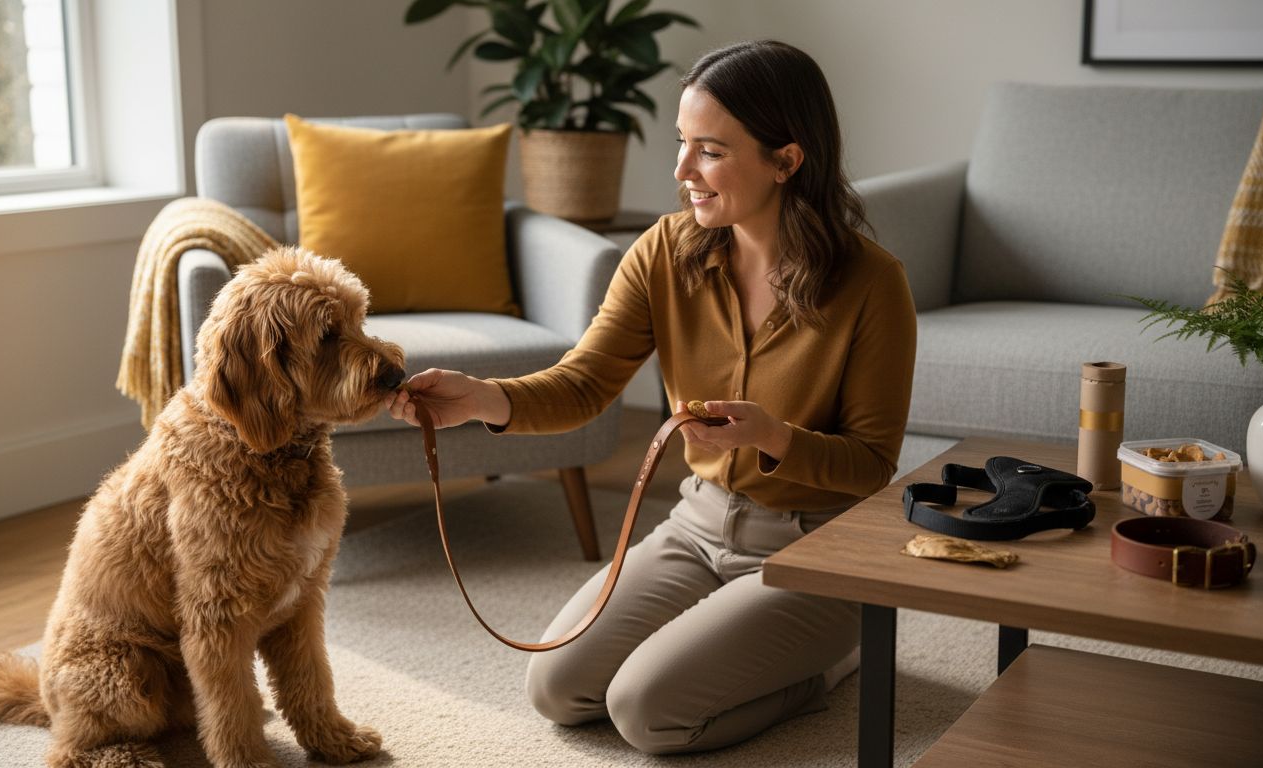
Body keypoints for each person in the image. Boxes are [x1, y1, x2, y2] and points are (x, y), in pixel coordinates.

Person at [387, 39, 917, 755]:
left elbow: (872, 466)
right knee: (556, 689)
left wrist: (773, 437)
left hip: (814, 549)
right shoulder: (665, 251)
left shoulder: (873, 284)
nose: (682, 170)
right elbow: (584, 383)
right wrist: (482, 397)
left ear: (787, 161)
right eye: (681, 143)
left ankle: (827, 666)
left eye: (710, 151)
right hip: (696, 528)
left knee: (647, 712)